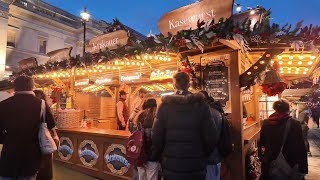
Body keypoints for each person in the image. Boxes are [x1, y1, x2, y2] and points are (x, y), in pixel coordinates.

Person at [151, 72, 218, 180]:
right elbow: (211, 137)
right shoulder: (201, 105)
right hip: (196, 164)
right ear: (188, 84)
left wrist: (164, 154)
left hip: (171, 164)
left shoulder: (164, 106)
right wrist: (202, 154)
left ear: (174, 85)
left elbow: (156, 138)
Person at [0, 76, 55, 180]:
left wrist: (6, 139)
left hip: (9, 152)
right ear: (32, 86)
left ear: (15, 87)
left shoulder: (2, 105)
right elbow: (51, 123)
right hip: (31, 153)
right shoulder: (41, 104)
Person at [258, 100, 308, 180]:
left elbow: (262, 142)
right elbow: (301, 147)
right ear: (288, 110)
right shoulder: (295, 124)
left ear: (275, 109)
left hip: (271, 163)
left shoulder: (266, 123)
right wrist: (303, 168)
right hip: (290, 162)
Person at [33, 90, 58, 180]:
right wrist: (55, 134)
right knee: (45, 162)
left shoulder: (26, 107)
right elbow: (51, 123)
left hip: (30, 141)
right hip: (43, 138)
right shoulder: (43, 105)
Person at [199, 91, 223, 180]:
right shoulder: (216, 112)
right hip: (216, 156)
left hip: (209, 158)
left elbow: (208, 139)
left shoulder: (208, 114)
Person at [135, 98, 160, 180]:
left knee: (141, 177)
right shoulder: (157, 118)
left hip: (140, 153)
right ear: (155, 107)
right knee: (152, 177)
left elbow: (131, 129)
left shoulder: (139, 118)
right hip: (153, 156)